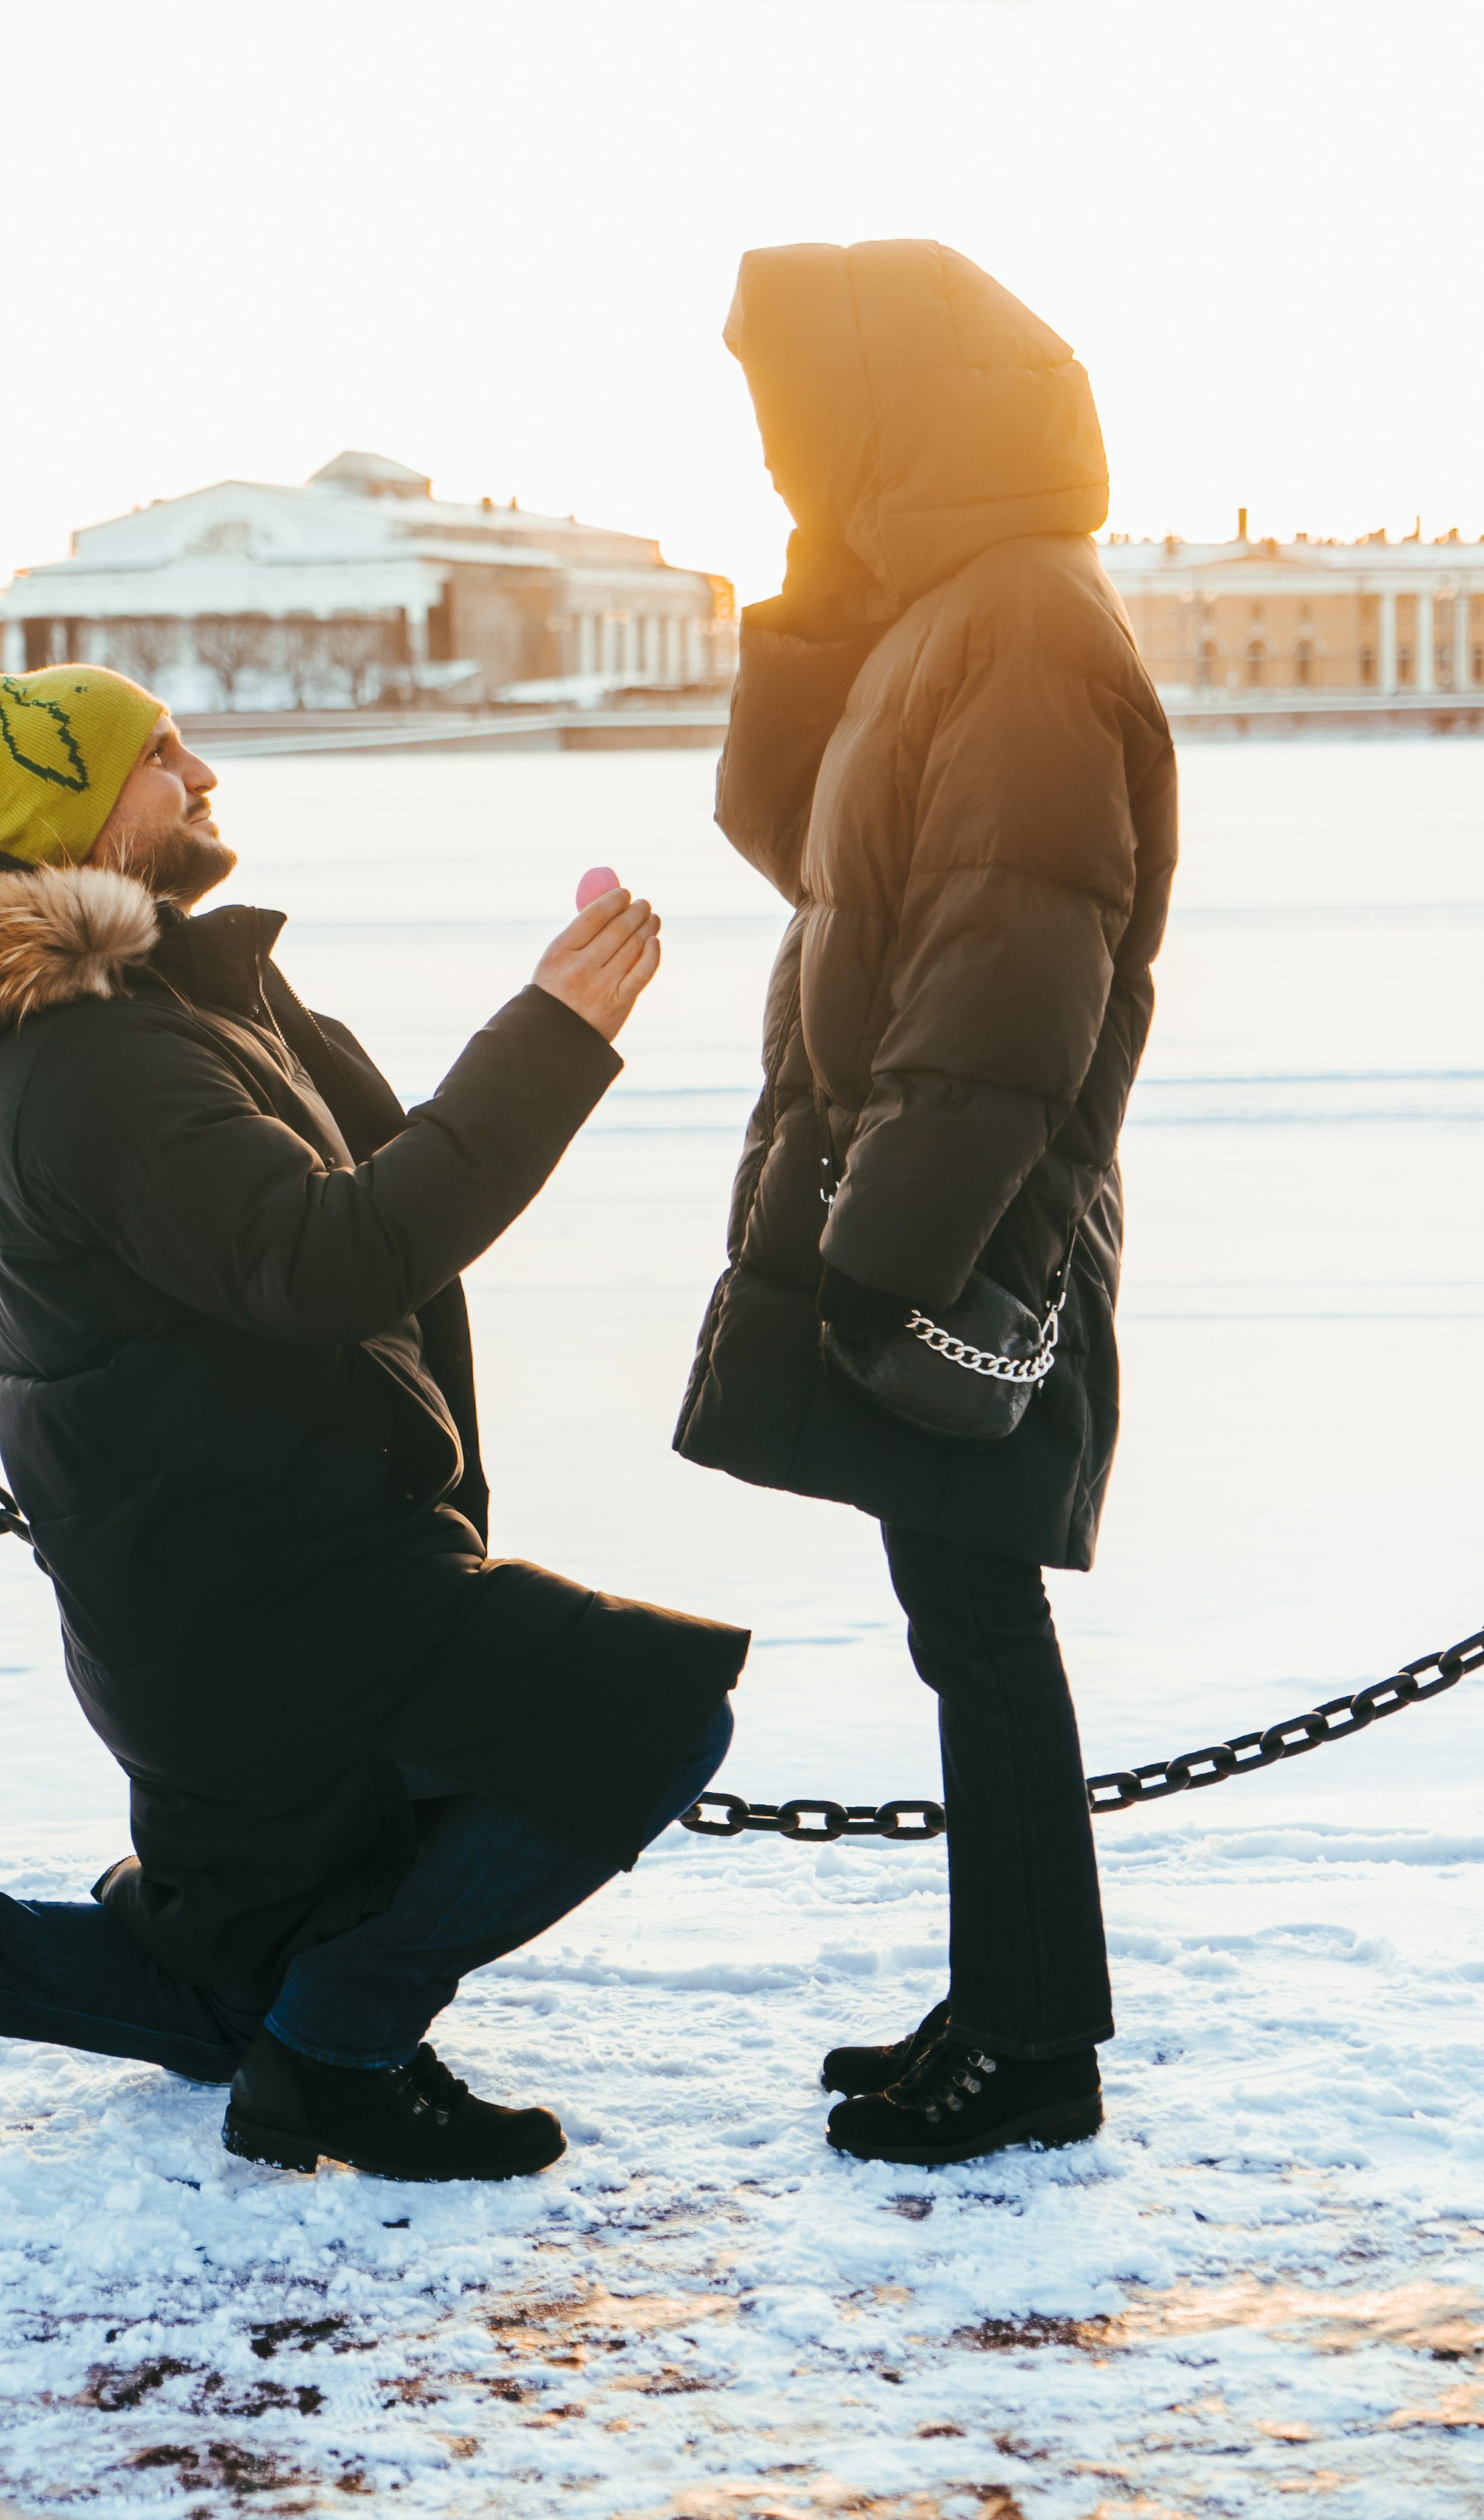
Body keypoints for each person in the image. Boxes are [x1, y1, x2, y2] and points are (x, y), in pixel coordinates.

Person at [0, 662, 748, 2182]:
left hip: (222, 1578)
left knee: (219, 1981)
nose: (206, 774)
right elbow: (328, 1261)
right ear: (88, 813)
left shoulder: (153, 998)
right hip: (263, 1605)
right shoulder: (91, 1058)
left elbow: (366, 1188)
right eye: (163, 756)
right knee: (644, 1711)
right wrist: (558, 1032)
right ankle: (339, 2053)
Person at [675, 240, 1177, 2166]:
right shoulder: (948, 611)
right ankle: (1002, 1998)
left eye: (802, 421)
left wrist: (881, 1264)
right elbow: (793, 841)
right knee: (955, 1621)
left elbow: (1004, 984)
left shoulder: (1026, 628)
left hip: (965, 1218)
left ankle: (1035, 2048)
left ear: (893, 407)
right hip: (922, 1196)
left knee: (978, 1626)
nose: (783, 453)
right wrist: (812, 601)